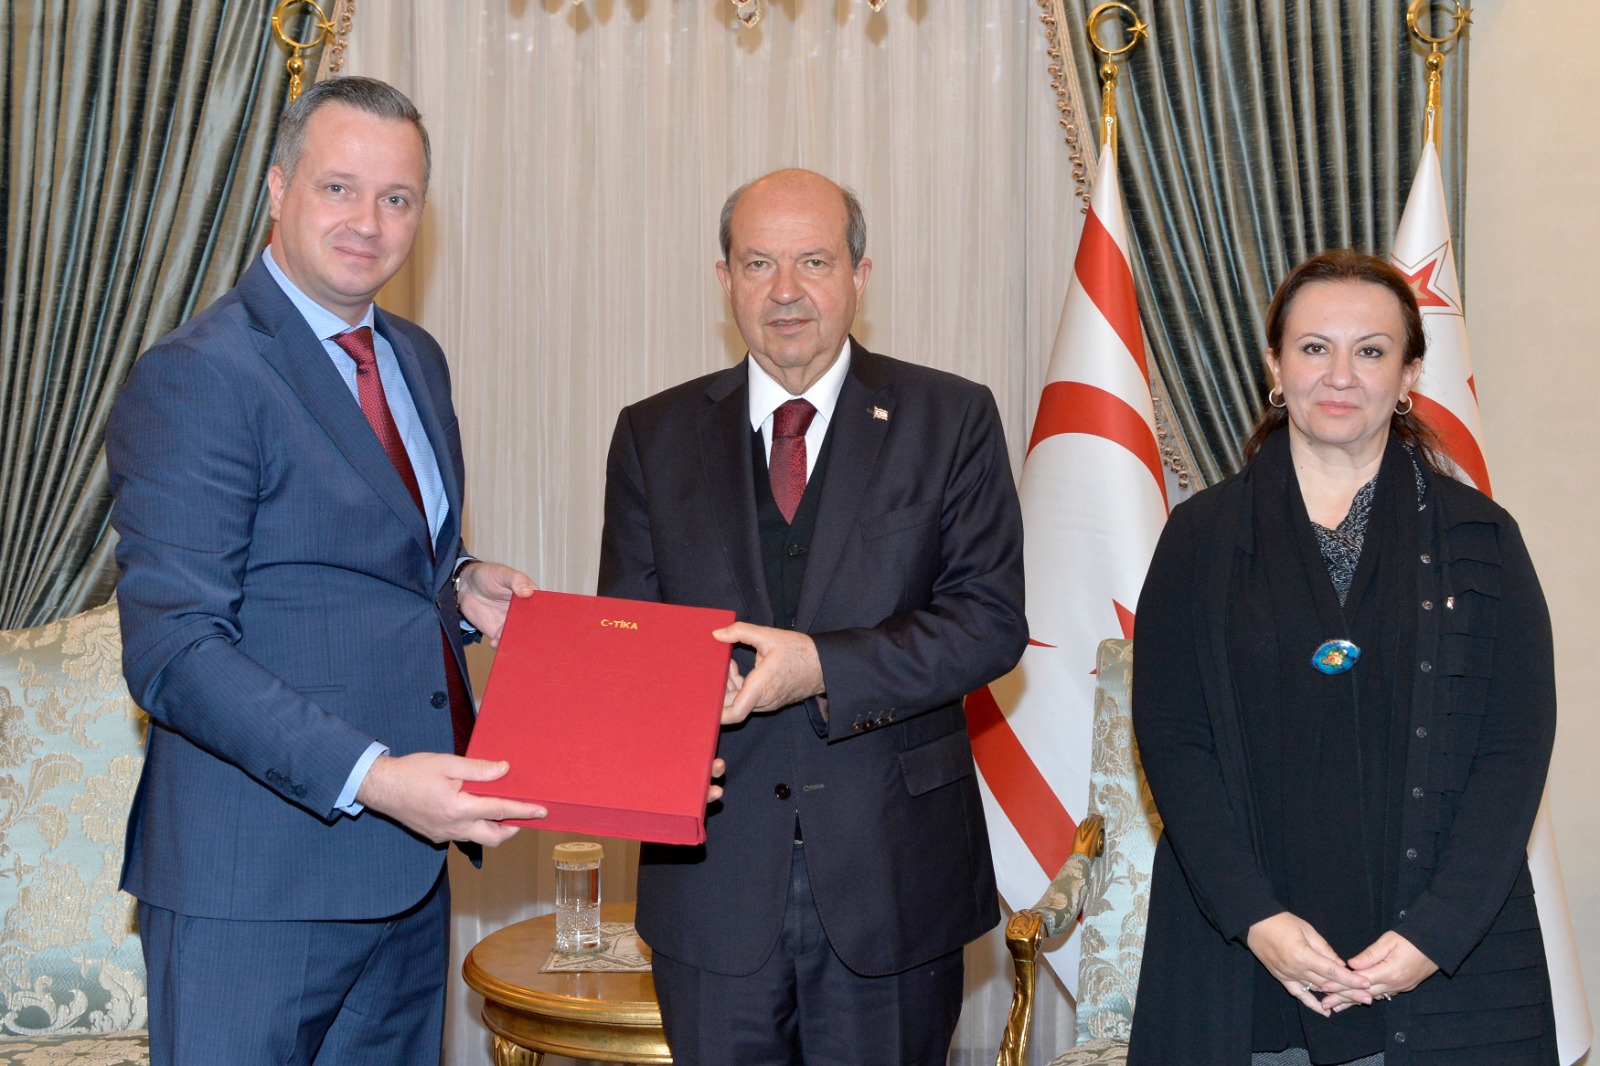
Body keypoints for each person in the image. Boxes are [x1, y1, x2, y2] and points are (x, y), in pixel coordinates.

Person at [105, 77, 549, 1065]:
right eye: (338, 188)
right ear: (277, 188)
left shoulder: (415, 359)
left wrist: (462, 586)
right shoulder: (200, 373)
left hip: (405, 880)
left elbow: (368, 560)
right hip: (251, 888)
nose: (368, 223)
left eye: (397, 198)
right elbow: (173, 650)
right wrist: (375, 778)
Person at [597, 168, 1027, 1064]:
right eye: (758, 263)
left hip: (895, 881)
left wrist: (823, 667)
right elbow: (630, 645)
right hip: (711, 884)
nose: (785, 290)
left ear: (860, 276)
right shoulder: (651, 434)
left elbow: (989, 621)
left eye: (814, 262)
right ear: (725, 281)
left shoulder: (951, 418)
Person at [1128, 249, 1557, 1065]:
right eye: (1314, 347)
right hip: (1241, 957)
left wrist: (1436, 935)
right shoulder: (1199, 537)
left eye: (1371, 351)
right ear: (1274, 366)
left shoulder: (1483, 540)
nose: (1340, 375)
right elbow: (1175, 741)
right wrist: (1256, 919)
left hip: (1444, 968)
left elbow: (1513, 750)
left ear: (1409, 375)